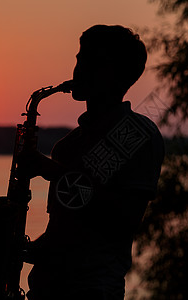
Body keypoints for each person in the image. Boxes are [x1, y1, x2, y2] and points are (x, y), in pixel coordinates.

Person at [19, 24, 164, 300]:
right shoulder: (68, 145)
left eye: (93, 62)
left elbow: (124, 219)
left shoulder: (135, 133)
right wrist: (24, 249)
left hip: (93, 290)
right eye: (79, 59)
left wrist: (57, 173)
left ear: (120, 76)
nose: (79, 70)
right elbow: (65, 228)